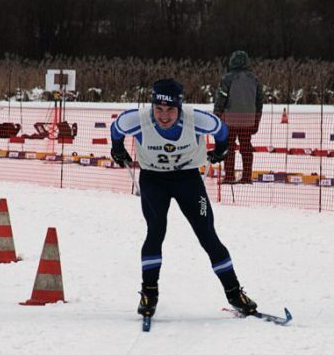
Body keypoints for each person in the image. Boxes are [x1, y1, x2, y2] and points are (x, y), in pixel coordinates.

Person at [110, 78, 258, 319]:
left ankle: (234, 294)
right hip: (153, 180)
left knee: (208, 236)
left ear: (179, 107)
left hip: (187, 180)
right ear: (152, 106)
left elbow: (222, 130)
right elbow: (116, 129)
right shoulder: (136, 119)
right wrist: (117, 148)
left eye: (170, 110)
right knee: (155, 231)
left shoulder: (196, 119)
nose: (164, 116)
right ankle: (149, 293)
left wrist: (221, 149)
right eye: (159, 109)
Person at [213, 50, 263, 184]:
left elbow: (221, 98)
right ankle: (246, 177)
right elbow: (259, 102)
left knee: (229, 147)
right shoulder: (254, 79)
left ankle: (229, 176)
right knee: (246, 147)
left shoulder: (227, 78)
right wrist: (256, 120)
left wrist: (216, 115)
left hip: (229, 120)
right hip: (248, 120)